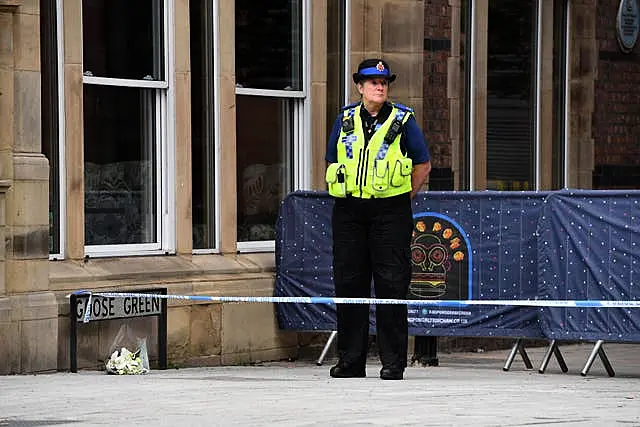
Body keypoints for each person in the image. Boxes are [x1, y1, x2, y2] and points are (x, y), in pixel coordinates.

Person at [325, 58, 432, 380]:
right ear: (360, 86)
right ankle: (351, 360)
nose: (379, 86)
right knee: (348, 283)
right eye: (372, 82)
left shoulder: (403, 119)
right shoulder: (344, 118)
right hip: (349, 211)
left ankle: (393, 362)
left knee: (391, 286)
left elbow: (422, 164)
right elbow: (332, 160)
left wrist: (402, 198)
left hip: (390, 211)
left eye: (384, 82)